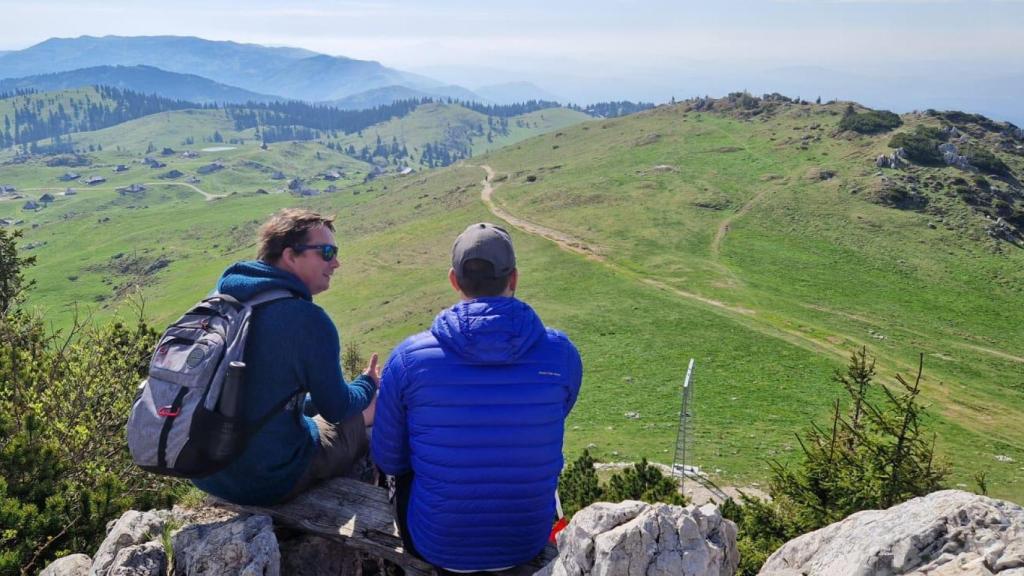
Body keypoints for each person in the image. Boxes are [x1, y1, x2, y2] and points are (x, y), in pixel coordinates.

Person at [372, 222, 583, 572]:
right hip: (525, 541)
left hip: (436, 544)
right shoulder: (561, 354)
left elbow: (390, 460)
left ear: (454, 280)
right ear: (514, 278)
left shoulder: (409, 358)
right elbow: (561, 409)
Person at [192, 208, 378, 505]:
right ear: (290, 256)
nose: (336, 263)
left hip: (205, 470)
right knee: (367, 413)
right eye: (327, 252)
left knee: (310, 408)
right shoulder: (308, 320)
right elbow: (337, 408)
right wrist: (367, 384)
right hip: (268, 479)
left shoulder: (221, 299)